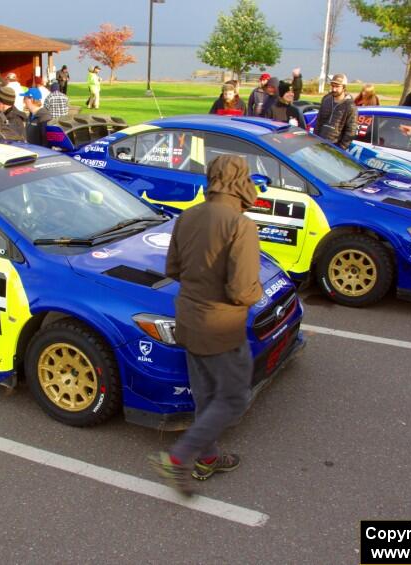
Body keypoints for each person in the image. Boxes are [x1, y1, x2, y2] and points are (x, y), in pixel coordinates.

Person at [148, 155, 262, 496]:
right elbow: (242, 291)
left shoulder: (187, 216)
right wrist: (256, 292)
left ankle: (208, 457)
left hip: (189, 320)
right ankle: (181, 457)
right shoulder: (241, 225)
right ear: (241, 181)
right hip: (222, 329)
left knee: (206, 394)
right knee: (233, 398)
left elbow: (173, 269)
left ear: (211, 179)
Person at [314, 73, 357, 149]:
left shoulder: (350, 106)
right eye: (332, 86)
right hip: (320, 144)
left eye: (337, 86)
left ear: (344, 87)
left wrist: (341, 149)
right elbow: (318, 122)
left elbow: (351, 131)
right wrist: (315, 139)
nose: (334, 89)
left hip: (335, 148)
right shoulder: (326, 99)